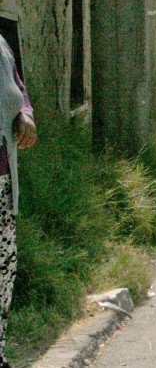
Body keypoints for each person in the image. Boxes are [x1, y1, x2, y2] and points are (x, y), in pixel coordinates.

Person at [0, 35, 36, 367]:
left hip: (3, 182)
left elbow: (19, 90)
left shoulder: (1, 44)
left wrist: (26, 116)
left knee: (4, 270)